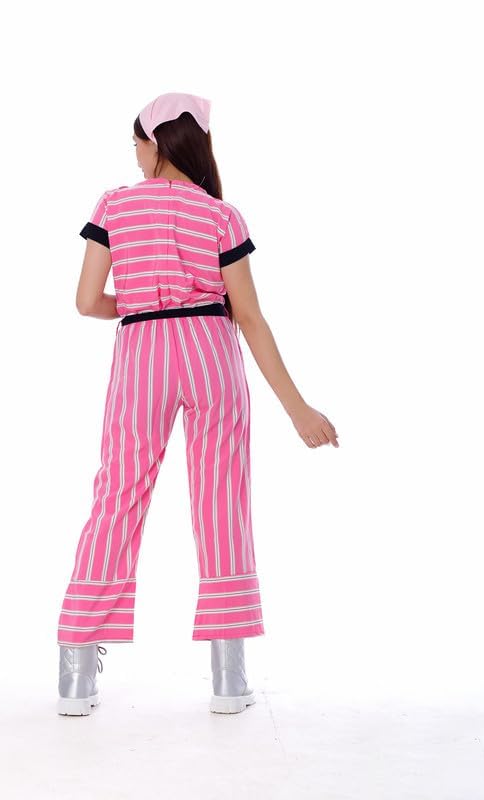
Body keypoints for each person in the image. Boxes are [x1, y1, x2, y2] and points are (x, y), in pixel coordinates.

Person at [56, 92, 339, 716]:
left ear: (158, 143)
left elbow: (86, 301)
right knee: (222, 504)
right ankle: (229, 678)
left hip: (142, 354)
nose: (134, 154)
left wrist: (138, 304)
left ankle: (75, 672)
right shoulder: (221, 215)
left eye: (136, 142)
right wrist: (298, 409)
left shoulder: (114, 206)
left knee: (118, 495)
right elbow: (250, 318)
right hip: (211, 350)